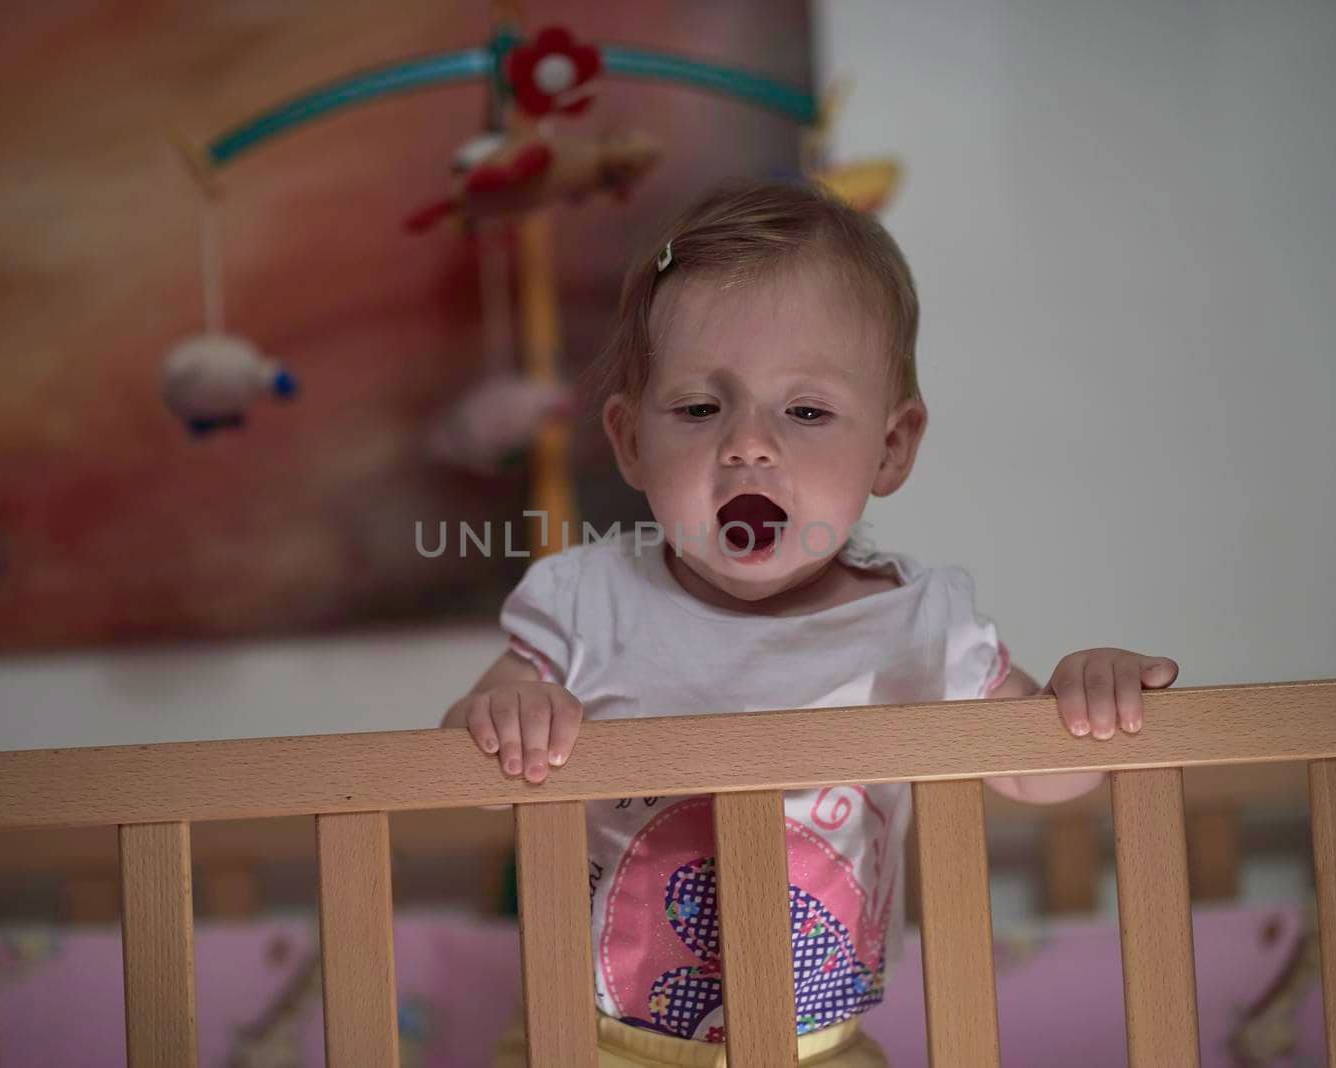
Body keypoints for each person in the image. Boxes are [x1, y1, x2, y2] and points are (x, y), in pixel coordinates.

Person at [440, 178, 1179, 1066]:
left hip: (819, 1049)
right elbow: (468, 767)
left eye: (807, 411)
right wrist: (505, 715)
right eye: (700, 408)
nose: (748, 443)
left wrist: (1083, 699)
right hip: (590, 1039)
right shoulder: (586, 602)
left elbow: (1041, 779)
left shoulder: (918, 627)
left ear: (892, 447)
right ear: (632, 440)